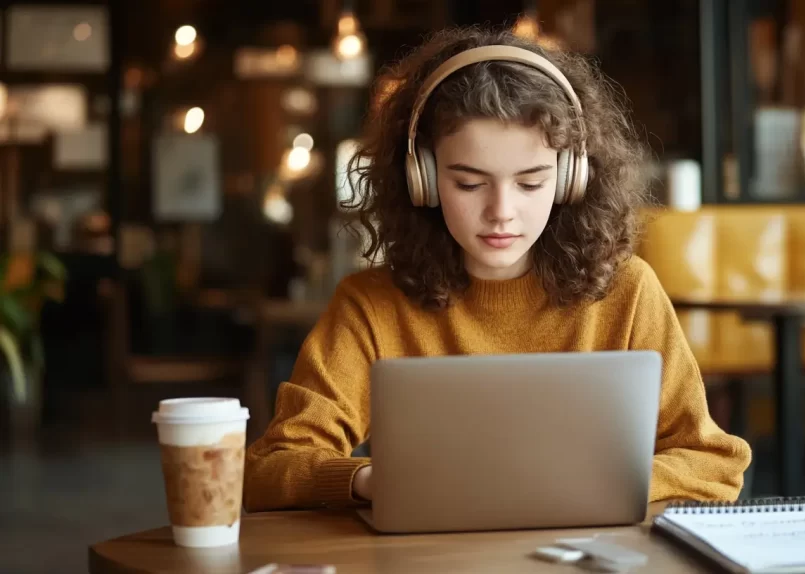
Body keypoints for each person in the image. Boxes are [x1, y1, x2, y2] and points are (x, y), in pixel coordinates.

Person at [243, 26, 751, 512]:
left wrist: (595, 486)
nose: (501, 211)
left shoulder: (629, 292)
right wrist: (369, 480)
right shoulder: (371, 306)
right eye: (468, 184)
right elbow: (272, 467)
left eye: (531, 184)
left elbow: (714, 463)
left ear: (570, 179)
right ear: (422, 179)